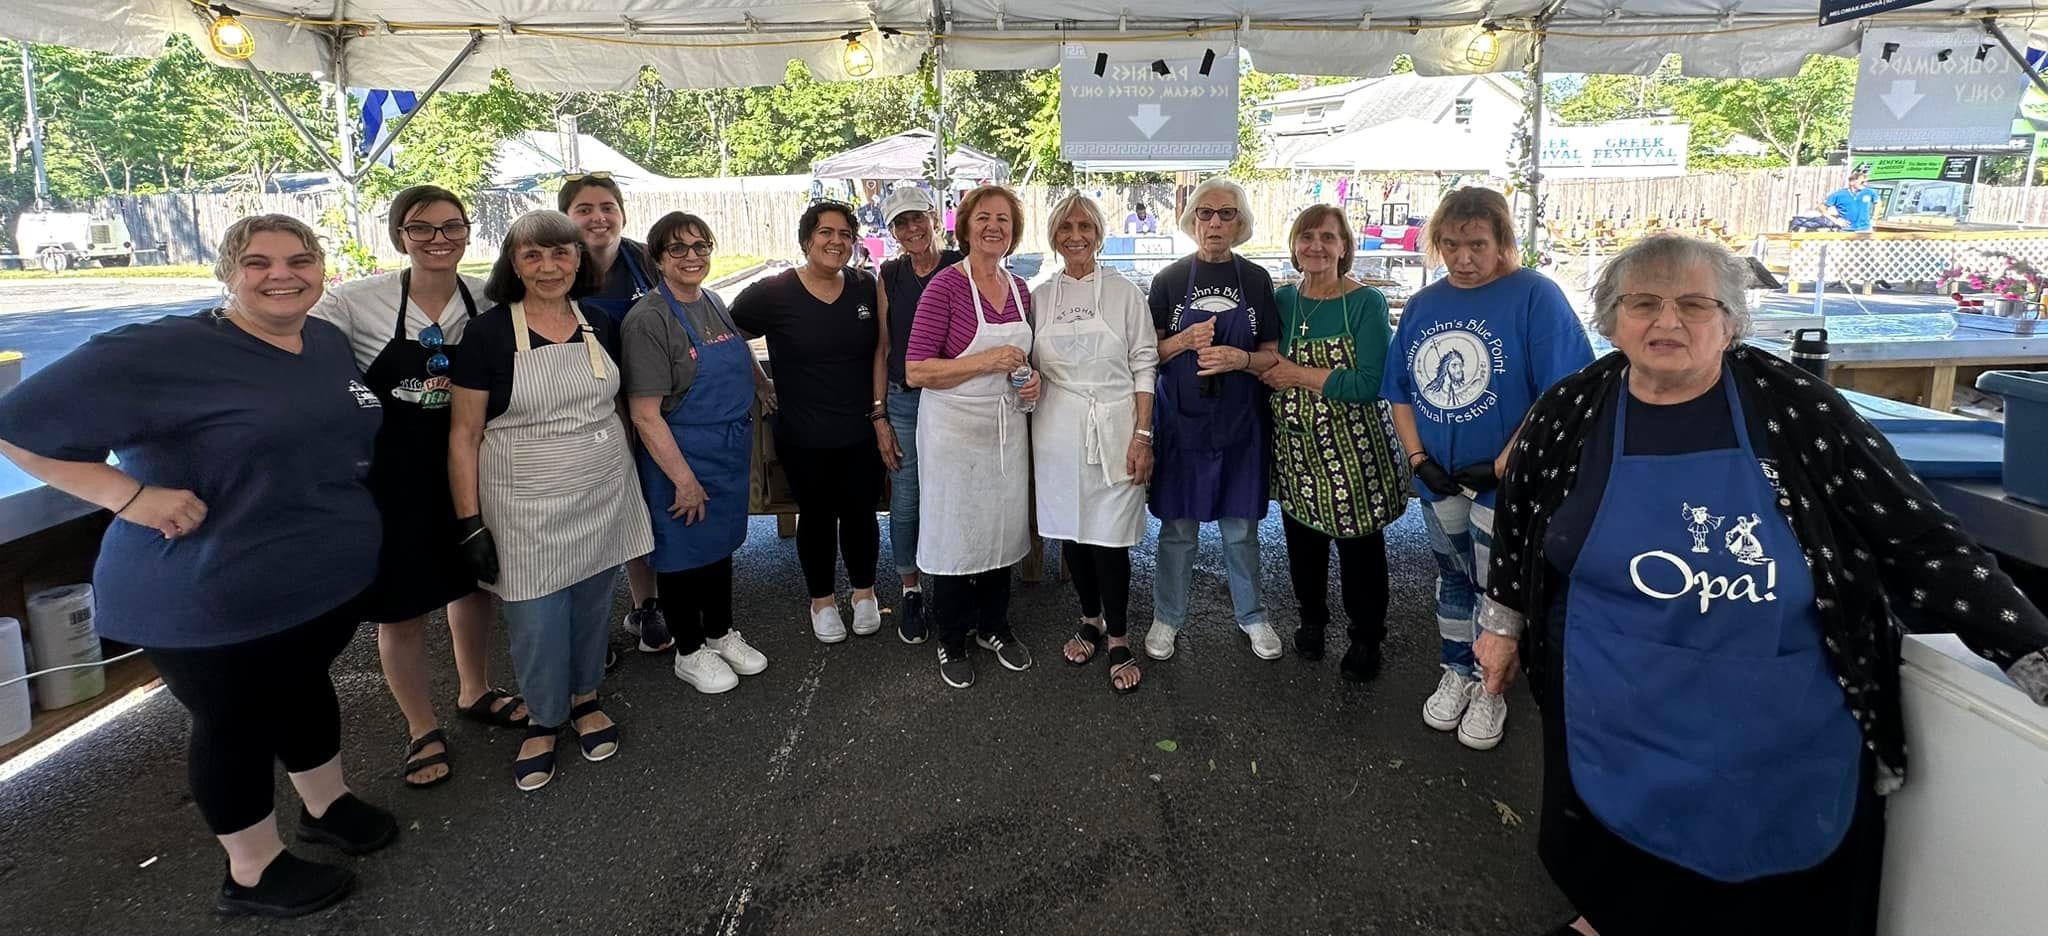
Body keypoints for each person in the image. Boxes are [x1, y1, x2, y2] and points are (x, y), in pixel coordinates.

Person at [1474, 234, 2048, 936]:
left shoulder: (1795, 408)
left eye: (1694, 304)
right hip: (1612, 696)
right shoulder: (1571, 411)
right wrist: (1501, 625)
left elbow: (1916, 534)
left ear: (1733, 320)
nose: (1667, 322)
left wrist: (2026, 647)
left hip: (1776, 712)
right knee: (1621, 869)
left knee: (1772, 897)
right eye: (1643, 303)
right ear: (1610, 317)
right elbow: (1522, 520)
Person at [0, 215, 396, 917]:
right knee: (234, 723)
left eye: (301, 259)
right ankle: (251, 872)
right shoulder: (161, 351)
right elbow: (17, 423)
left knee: (302, 689)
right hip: (208, 589)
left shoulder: (324, 340)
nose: (283, 274)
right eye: (259, 262)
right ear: (226, 271)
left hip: (317, 581)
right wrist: (129, 496)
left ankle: (325, 804)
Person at [311, 186, 526, 790]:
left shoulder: (487, 297)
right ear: (399, 235)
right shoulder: (355, 302)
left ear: (467, 233)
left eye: (452, 226)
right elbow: (290, 344)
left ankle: (474, 689)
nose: (439, 239)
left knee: (473, 586)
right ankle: (420, 727)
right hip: (391, 477)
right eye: (422, 228)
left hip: (472, 470)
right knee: (400, 609)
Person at [1382, 186, 1593, 753]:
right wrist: (1417, 458)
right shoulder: (1426, 304)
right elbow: (1399, 387)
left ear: (1503, 242)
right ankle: (1456, 667)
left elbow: (1564, 392)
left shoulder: (1534, 296)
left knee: (1495, 583)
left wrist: (1508, 460)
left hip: (1505, 483)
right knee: (1452, 576)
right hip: (1441, 477)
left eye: (1477, 244)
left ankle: (1491, 683)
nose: (1463, 258)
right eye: (1450, 245)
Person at [449, 210, 654, 792]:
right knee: (536, 619)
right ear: (514, 264)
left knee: (592, 604)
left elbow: (616, 407)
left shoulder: (598, 322)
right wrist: (469, 522)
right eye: (533, 256)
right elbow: (463, 434)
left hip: (602, 491)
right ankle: (544, 718)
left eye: (560, 254)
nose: (548, 267)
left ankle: (586, 696)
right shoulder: (488, 334)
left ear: (578, 260)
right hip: (524, 505)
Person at [620, 212, 773, 693]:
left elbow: (738, 348)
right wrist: (683, 479)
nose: (692, 257)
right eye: (678, 249)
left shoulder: (711, 299)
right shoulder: (648, 319)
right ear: (658, 259)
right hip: (679, 452)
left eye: (700, 246)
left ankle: (720, 632)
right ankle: (689, 650)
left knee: (719, 545)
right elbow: (644, 413)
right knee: (683, 553)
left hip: (726, 448)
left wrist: (762, 384)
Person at [730, 202, 894, 644]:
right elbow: (725, 334)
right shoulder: (774, 291)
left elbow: (882, 347)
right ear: (806, 240)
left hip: (860, 428)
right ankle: (821, 600)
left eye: (844, 233)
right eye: (825, 232)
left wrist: (880, 411)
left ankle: (864, 593)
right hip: (803, 432)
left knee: (862, 514)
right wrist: (760, 382)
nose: (835, 241)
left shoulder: (865, 285)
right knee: (817, 516)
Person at [1260, 205, 1408, 681]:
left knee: (1360, 549)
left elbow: (1369, 383)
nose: (1316, 246)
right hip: (1297, 447)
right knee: (1302, 543)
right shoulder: (1283, 300)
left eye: (1328, 237)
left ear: (1345, 246)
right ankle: (1312, 620)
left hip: (1353, 450)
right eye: (1307, 237)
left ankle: (1367, 636)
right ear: (1294, 245)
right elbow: (1264, 364)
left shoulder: (1366, 304)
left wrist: (1296, 375)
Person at [904, 184, 1039, 689]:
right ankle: (952, 636)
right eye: (984, 218)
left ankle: (995, 625)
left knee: (1002, 526)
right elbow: (916, 370)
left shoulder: (1021, 289)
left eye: (1004, 220)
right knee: (956, 532)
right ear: (964, 227)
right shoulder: (945, 287)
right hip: (953, 430)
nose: (993, 227)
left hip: (1005, 427)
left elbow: (1026, 362)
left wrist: (1032, 379)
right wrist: (987, 360)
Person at [1144, 177, 1283, 662]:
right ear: (1192, 221)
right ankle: (1167, 617)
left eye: (1226, 214)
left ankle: (1253, 616)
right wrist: (1185, 341)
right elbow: (1148, 354)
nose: (1215, 223)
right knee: (1177, 528)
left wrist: (1237, 359)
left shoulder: (1258, 279)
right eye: (1206, 213)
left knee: (1240, 527)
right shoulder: (1167, 281)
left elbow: (1272, 356)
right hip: (1181, 421)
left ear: (1240, 222)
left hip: (1239, 422)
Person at [1034, 194, 1158, 693]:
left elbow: (1145, 362)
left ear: (1100, 233)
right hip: (1057, 429)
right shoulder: (1039, 296)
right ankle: (1090, 618)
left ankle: (1119, 636)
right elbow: (1029, 363)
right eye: (1066, 227)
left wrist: (1143, 434)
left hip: (1117, 425)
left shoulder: (1126, 293)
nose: (1076, 235)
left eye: (1086, 226)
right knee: (1072, 532)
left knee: (1109, 538)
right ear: (1054, 236)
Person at [559, 171, 668, 657]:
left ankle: (647, 605)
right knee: (587, 518)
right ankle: (587, 629)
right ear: (566, 217)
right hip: (578, 409)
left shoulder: (646, 259)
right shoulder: (553, 266)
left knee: (641, 504)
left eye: (607, 207)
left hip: (646, 402)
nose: (598, 217)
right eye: (584, 209)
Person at [878, 186, 964, 644]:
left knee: (958, 487)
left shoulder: (960, 263)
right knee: (907, 493)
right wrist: (879, 416)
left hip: (955, 396)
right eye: (900, 223)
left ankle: (963, 576)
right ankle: (910, 587)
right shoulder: (889, 274)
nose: (911, 229)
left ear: (935, 218)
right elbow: (883, 346)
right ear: (892, 231)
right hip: (905, 398)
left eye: (917, 219)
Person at [1822, 165, 1879, 233]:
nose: (1865, 184)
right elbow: (1821, 208)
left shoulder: (1869, 192)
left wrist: (1874, 218)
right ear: (1852, 182)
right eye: (1862, 182)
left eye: (1866, 182)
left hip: (1865, 229)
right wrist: (1835, 220)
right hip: (1846, 230)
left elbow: (1878, 203)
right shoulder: (1839, 194)